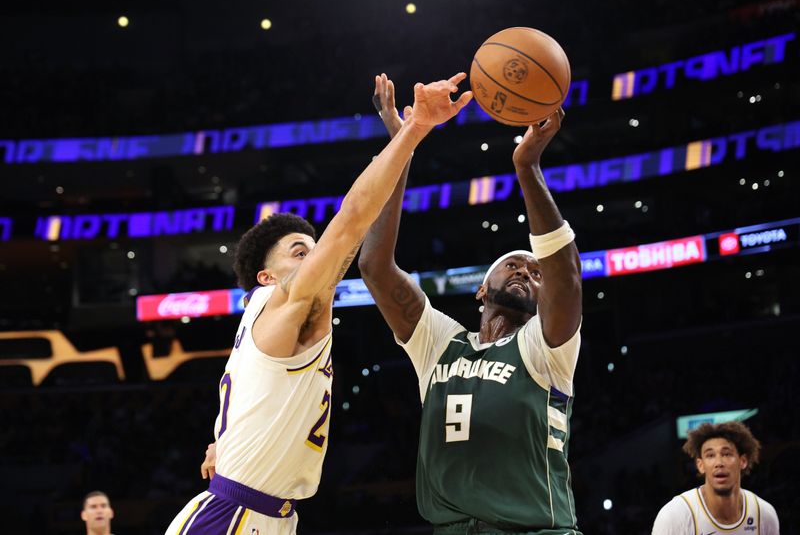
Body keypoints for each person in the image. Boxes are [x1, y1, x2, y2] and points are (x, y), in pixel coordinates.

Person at [165, 73, 473, 535]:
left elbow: (356, 241)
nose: (315, 257)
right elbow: (350, 220)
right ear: (266, 278)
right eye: (299, 251)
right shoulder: (282, 300)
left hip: (267, 513)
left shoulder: (278, 318)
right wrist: (415, 129)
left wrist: (401, 145)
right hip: (232, 518)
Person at [358, 74, 583, 534]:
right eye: (514, 265)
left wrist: (527, 168)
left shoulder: (547, 348)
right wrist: (404, 141)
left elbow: (567, 278)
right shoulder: (440, 344)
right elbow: (375, 267)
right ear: (482, 291)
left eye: (535, 272)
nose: (527, 271)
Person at [652, 421, 779, 535]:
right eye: (710, 455)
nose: (719, 462)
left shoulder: (764, 514)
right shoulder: (674, 515)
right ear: (700, 465)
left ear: (743, 461)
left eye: (726, 454)